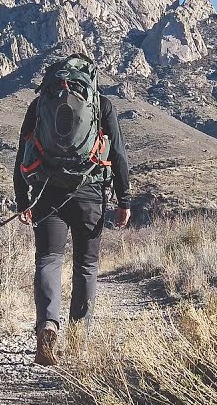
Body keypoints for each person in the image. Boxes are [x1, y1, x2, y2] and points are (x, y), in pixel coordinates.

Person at [13, 55, 131, 366]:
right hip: (89, 193)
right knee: (86, 266)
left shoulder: (39, 104)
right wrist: (125, 199)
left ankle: (48, 325)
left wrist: (22, 199)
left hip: (45, 191)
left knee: (49, 260)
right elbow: (117, 152)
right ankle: (79, 338)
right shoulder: (102, 104)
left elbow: (21, 153)